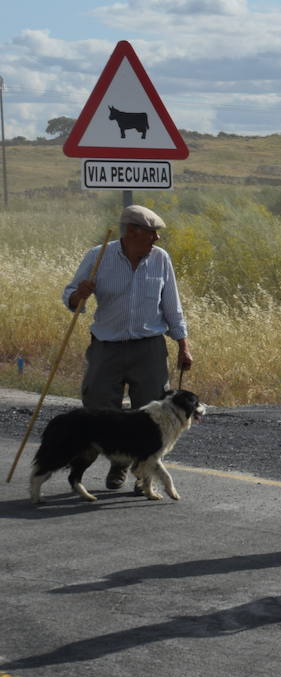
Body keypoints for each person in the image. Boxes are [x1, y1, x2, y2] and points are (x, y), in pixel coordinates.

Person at [63, 205, 193, 490]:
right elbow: (70, 297)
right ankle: (118, 463)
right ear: (132, 232)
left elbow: (172, 306)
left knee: (152, 414)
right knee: (98, 406)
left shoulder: (160, 259)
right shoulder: (98, 257)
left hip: (148, 348)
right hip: (106, 347)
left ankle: (142, 473)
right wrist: (78, 296)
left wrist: (183, 345)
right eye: (152, 233)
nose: (157, 239)